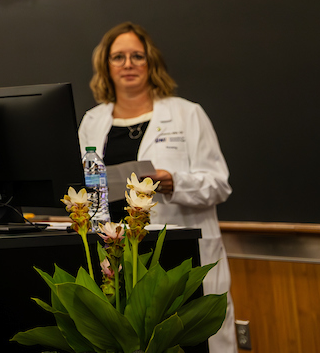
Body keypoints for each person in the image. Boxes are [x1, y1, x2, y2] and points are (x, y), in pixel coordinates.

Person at [78, 22, 236, 353]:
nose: (128, 64)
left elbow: (219, 185)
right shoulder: (92, 122)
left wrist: (174, 182)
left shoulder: (187, 114)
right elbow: (84, 184)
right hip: (118, 254)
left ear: (151, 63)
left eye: (137, 56)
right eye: (118, 57)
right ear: (106, 66)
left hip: (181, 252)